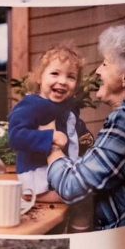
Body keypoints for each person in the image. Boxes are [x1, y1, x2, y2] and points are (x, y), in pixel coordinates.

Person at [47, 20, 125, 230]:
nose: (97, 71)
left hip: (118, 233)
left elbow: (72, 185)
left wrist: (52, 147)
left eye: (105, 64)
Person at [7, 45, 93, 197]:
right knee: (78, 200)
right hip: (38, 175)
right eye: (55, 74)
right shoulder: (32, 104)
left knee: (80, 196)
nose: (63, 81)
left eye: (71, 77)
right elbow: (16, 135)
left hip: (62, 170)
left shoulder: (66, 107)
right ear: (40, 77)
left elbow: (73, 126)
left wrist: (84, 135)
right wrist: (50, 137)